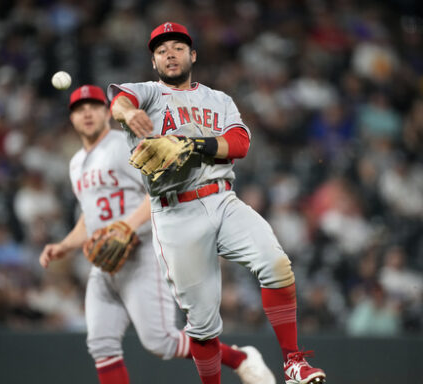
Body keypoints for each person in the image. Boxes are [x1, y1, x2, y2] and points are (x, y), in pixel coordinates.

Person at [108, 22, 327, 384]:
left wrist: (193, 145)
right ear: (153, 62)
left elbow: (240, 143)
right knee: (204, 326)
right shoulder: (146, 93)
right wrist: (129, 114)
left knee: (277, 265)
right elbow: (119, 101)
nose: (169, 54)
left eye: (177, 47)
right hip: (175, 212)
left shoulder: (219, 100)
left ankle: (293, 363)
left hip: (222, 198)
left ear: (192, 55)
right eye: (161, 51)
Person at [39, 85, 275, 384]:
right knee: (101, 344)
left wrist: (127, 226)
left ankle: (240, 359)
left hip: (144, 253)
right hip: (105, 263)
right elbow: (92, 215)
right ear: (71, 118)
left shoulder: (122, 146)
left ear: (107, 113)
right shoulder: (76, 163)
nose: (87, 113)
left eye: (95, 106)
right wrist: (66, 245)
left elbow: (160, 192)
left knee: (161, 341)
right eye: (79, 108)